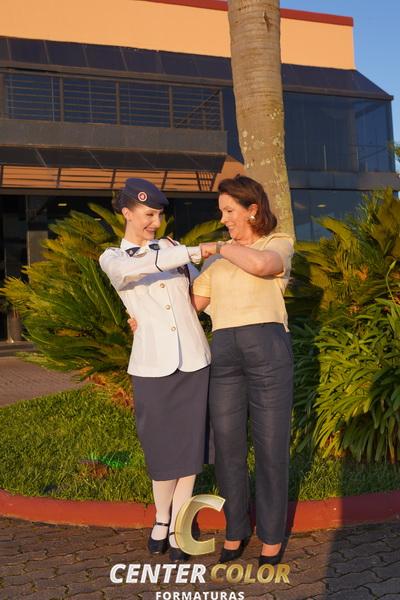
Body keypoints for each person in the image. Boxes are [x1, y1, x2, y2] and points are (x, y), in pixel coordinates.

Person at [99, 178, 210, 562]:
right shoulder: (113, 257)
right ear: (127, 212)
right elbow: (143, 267)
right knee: (161, 449)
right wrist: (195, 250)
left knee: (190, 447)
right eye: (148, 214)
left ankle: (179, 523)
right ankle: (161, 516)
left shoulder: (173, 249)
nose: (155, 223)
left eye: (159, 215)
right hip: (151, 365)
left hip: (194, 360)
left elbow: (200, 294)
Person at [192, 175, 294, 566]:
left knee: (270, 445)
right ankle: (235, 529)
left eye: (229, 211)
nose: (223, 219)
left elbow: (263, 266)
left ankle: (271, 536)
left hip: (268, 349)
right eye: (221, 212)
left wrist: (222, 247)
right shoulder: (217, 261)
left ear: (252, 209)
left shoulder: (277, 243)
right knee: (228, 447)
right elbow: (192, 305)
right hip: (224, 354)